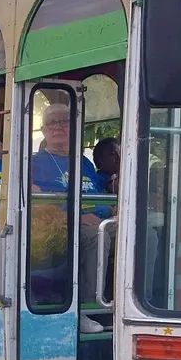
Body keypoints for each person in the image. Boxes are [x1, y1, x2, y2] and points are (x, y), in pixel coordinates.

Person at [31, 104, 108, 335]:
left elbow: (98, 193)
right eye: (52, 123)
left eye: (64, 121)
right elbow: (36, 204)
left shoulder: (84, 163)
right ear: (43, 130)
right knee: (97, 236)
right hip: (63, 225)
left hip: (101, 219)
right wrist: (79, 217)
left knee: (147, 232)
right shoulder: (34, 163)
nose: (58, 127)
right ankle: (85, 309)